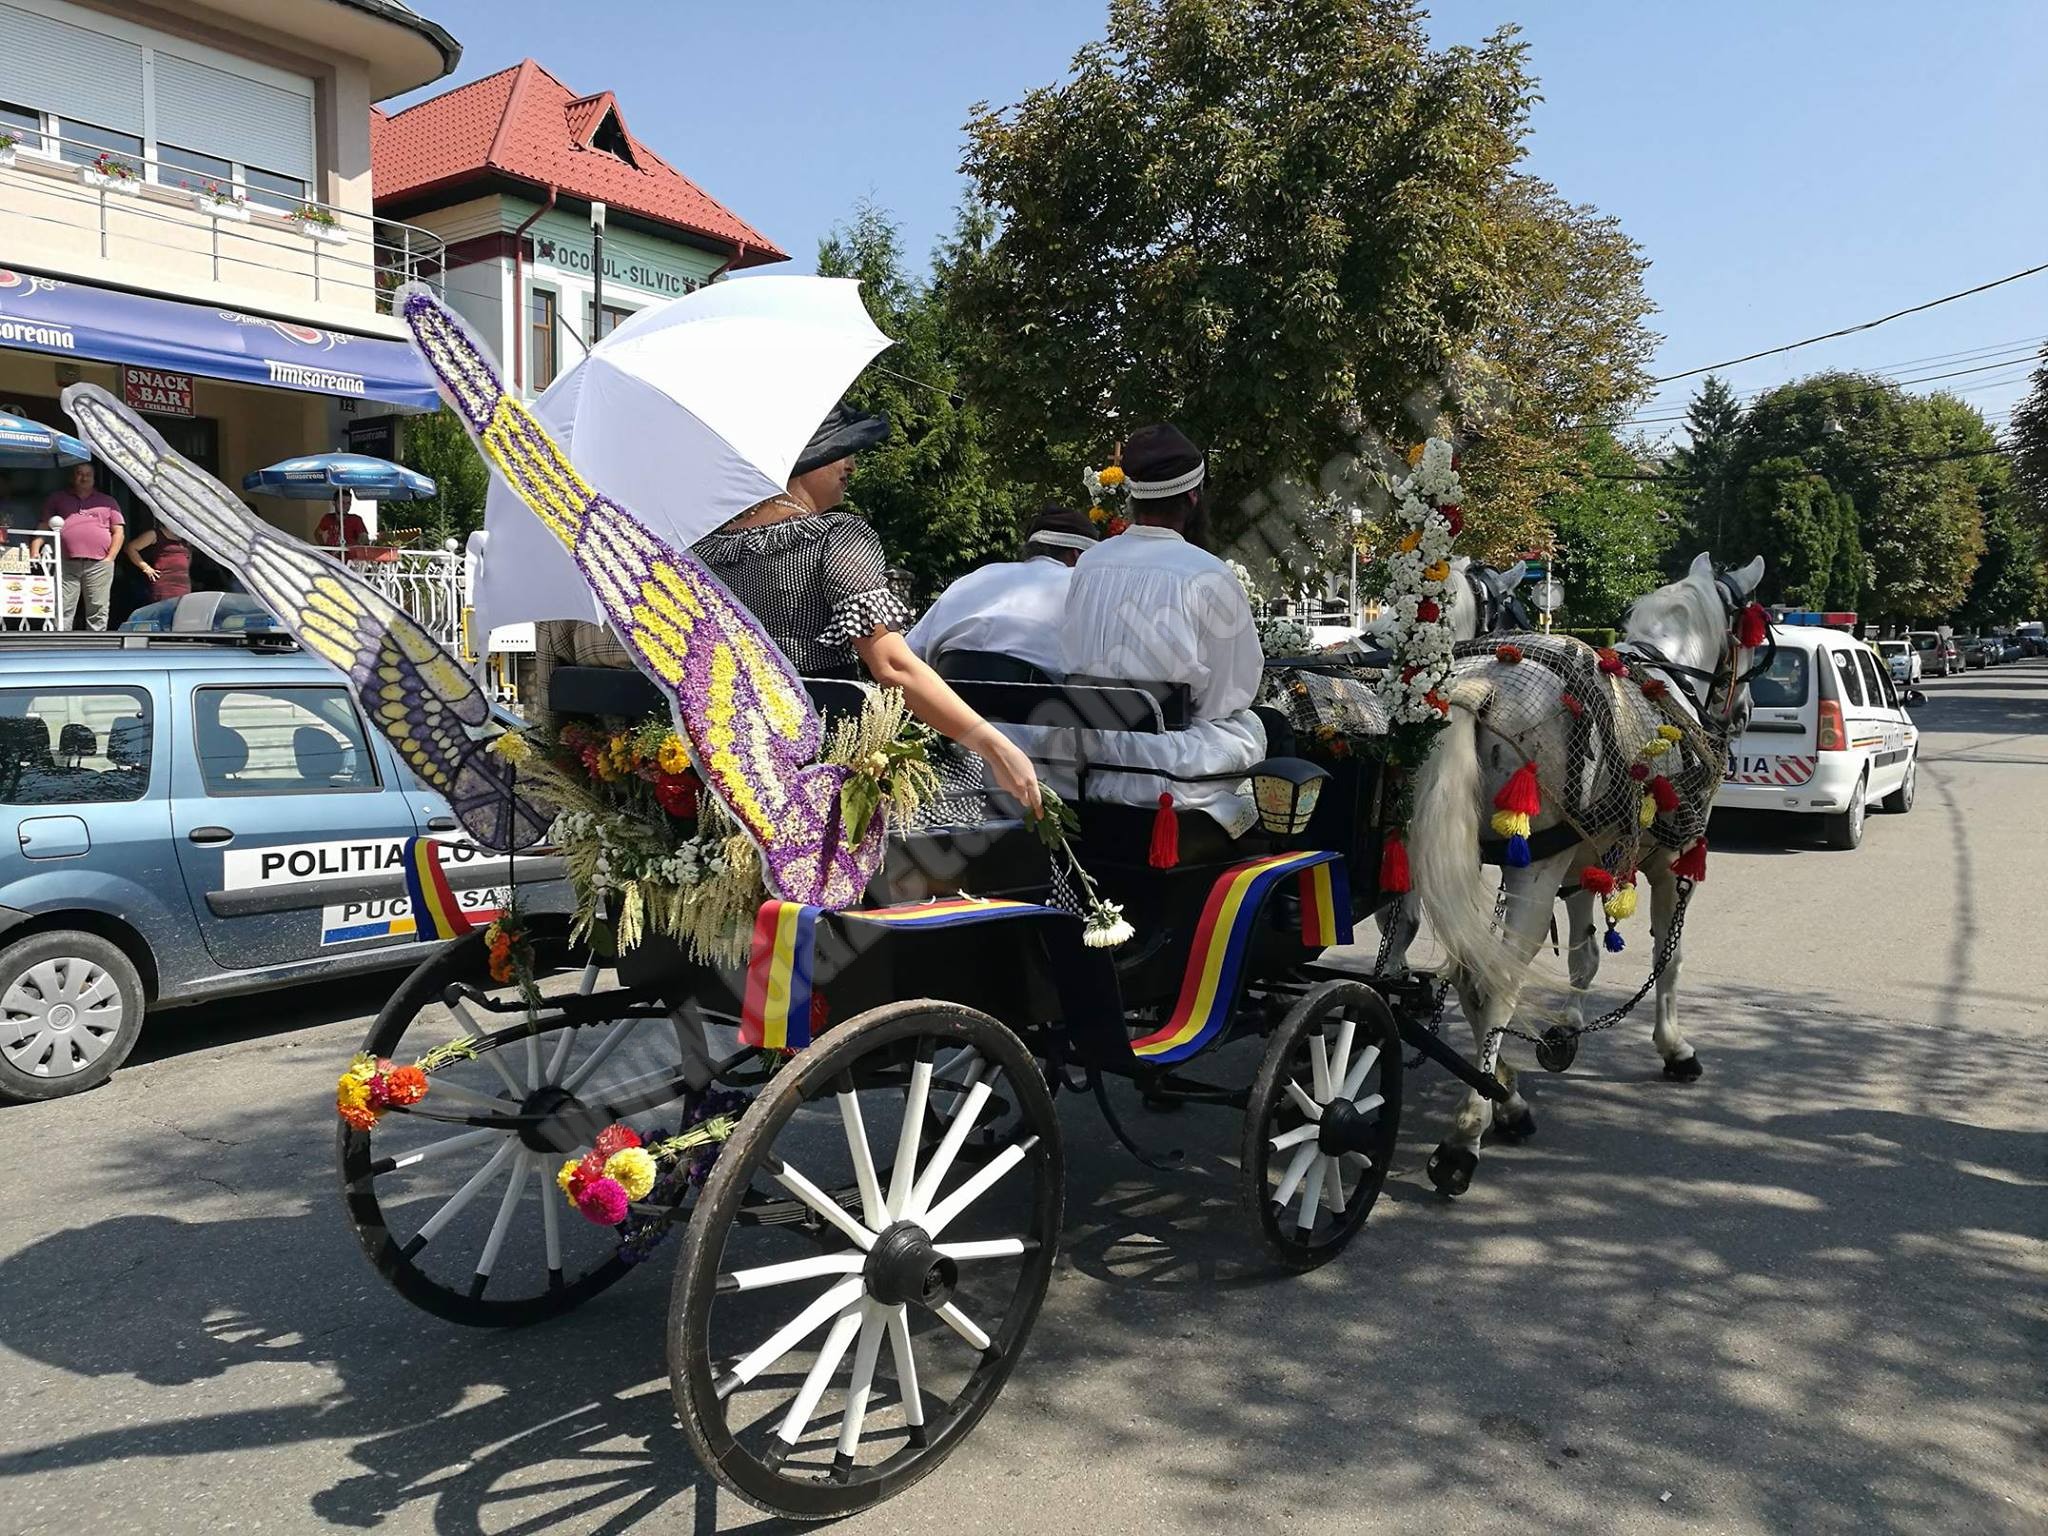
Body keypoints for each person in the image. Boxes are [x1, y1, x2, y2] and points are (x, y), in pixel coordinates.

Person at [692, 401, 1041, 816]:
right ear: (805, 457)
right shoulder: (836, 536)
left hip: (728, 766)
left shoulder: (705, 549)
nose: (852, 465)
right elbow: (891, 666)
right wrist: (993, 744)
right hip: (823, 770)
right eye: (841, 451)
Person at [1054, 423, 1266, 834]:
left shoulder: (1089, 564)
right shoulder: (1208, 574)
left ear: (1133, 497)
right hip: (1166, 770)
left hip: (1090, 761)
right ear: (1193, 496)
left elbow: (1070, 658)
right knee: (1262, 727)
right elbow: (1229, 695)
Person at [905, 504, 1098, 679]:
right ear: (1077, 556)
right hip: (1034, 701)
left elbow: (910, 652)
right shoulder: (1081, 584)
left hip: (947, 695)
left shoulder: (977, 576)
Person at [45, 462, 124, 631]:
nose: (84, 477)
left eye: (88, 474)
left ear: (94, 478)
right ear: (72, 477)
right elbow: (44, 525)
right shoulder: (58, 498)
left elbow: (118, 532)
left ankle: (96, 644)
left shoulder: (108, 501)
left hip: (99, 563)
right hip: (66, 562)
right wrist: (35, 549)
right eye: (80, 473)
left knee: (98, 608)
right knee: (62, 606)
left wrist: (110, 558)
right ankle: (59, 643)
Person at [124, 508, 192, 604]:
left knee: (183, 610)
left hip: (183, 584)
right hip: (164, 585)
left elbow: (188, 556)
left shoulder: (185, 538)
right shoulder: (155, 534)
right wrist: (146, 568)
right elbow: (131, 548)